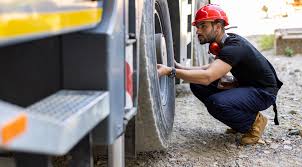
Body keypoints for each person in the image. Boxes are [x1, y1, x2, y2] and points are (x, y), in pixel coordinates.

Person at [157, 4, 283, 145]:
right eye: (197, 26)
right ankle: (238, 120)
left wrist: (170, 71)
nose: (198, 31)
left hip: (263, 92)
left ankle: (254, 123)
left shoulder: (233, 48)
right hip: (248, 86)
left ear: (217, 26)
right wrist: (179, 67)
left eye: (203, 26)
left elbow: (208, 76)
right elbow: (210, 67)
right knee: (197, 85)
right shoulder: (227, 42)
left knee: (216, 103)